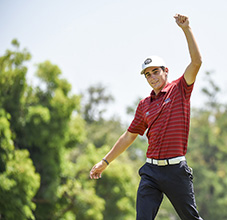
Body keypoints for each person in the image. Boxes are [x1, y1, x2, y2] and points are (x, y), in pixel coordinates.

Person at [89, 13, 203, 220]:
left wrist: (186, 29)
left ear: (165, 71)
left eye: (155, 72)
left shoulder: (180, 89)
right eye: (148, 74)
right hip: (151, 171)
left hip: (176, 170)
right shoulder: (144, 105)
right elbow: (129, 136)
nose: (152, 77)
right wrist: (105, 162)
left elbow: (196, 62)